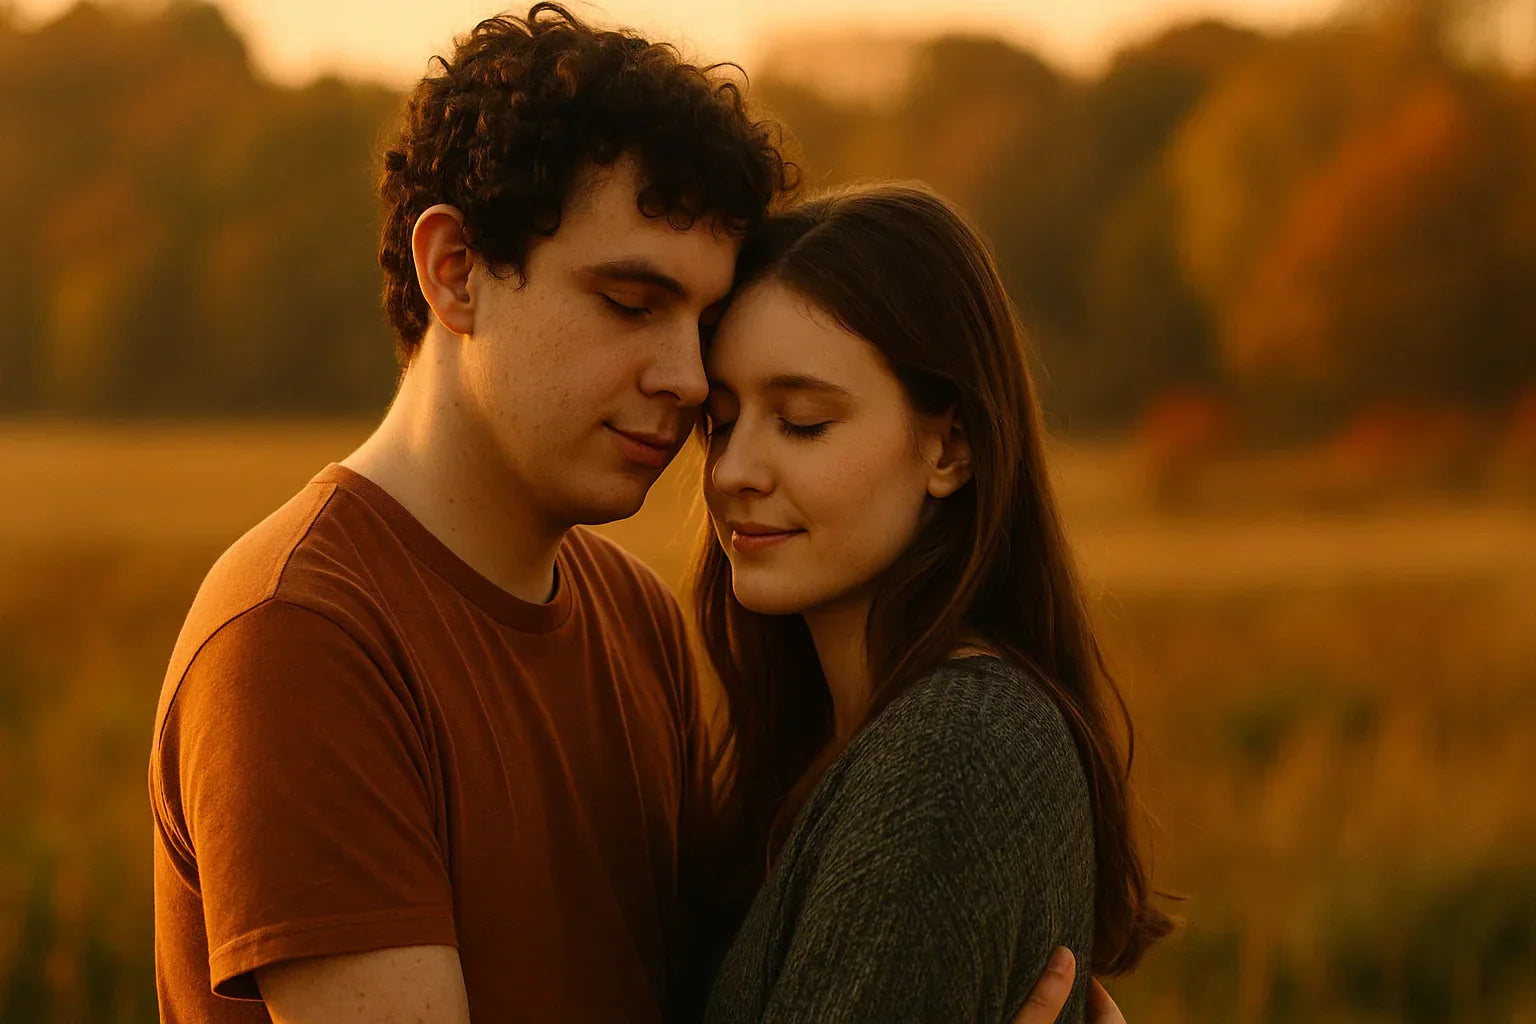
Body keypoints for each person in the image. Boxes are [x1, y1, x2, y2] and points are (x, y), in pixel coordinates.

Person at [147, 5, 1123, 1023]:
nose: (689, 378)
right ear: (455, 271)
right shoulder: (303, 635)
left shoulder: (639, 620)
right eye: (629, 302)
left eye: (705, 321)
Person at [691, 184, 1173, 1023]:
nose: (733, 470)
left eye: (802, 422)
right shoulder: (835, 747)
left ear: (950, 447)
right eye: (722, 422)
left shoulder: (960, 751)